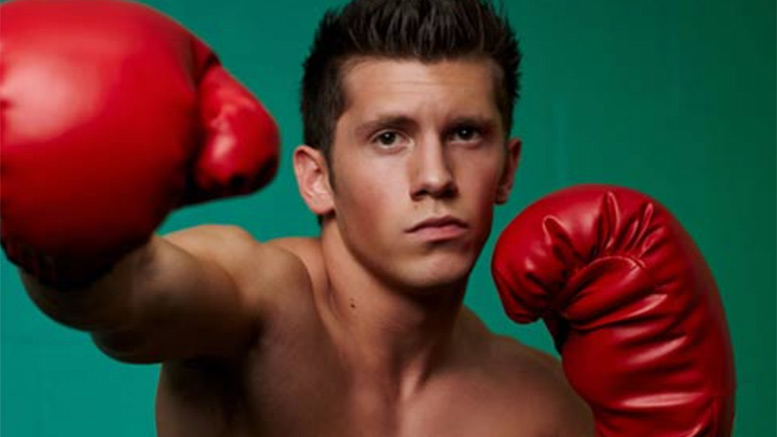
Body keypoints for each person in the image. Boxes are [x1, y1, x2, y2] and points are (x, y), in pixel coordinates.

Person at [0, 0, 735, 436]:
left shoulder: (544, 406)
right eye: (389, 138)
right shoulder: (258, 304)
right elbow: (126, 300)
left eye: (465, 134)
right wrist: (72, 234)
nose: (435, 177)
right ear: (316, 178)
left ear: (508, 169)